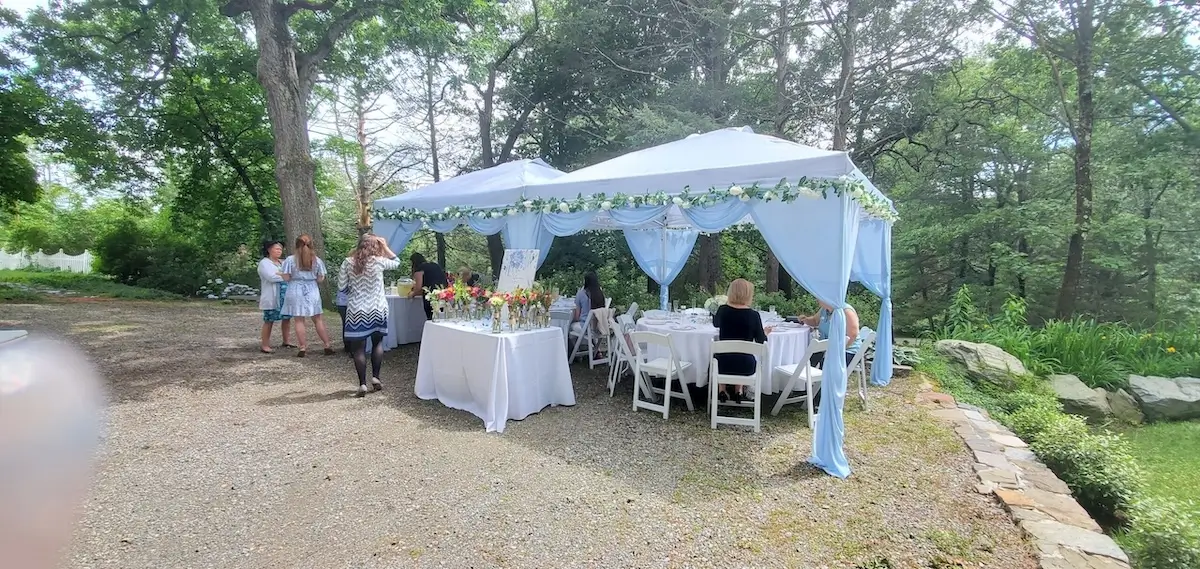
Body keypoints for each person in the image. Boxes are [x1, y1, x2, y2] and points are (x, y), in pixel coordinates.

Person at [339, 234, 401, 397]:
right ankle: (376, 377)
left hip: (356, 310)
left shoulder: (347, 262)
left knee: (358, 349)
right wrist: (386, 246)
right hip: (378, 308)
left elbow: (341, 287)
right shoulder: (379, 261)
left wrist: (354, 291)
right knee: (377, 343)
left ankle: (362, 384)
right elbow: (397, 262)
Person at [713, 278, 774, 403]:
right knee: (742, 355)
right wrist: (765, 332)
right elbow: (760, 340)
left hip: (723, 365)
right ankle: (738, 391)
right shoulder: (753, 315)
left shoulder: (723, 310)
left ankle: (722, 390)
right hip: (746, 366)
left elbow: (715, 323)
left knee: (721, 355)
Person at [798, 300, 862, 410]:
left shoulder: (846, 311)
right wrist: (805, 320)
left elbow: (853, 334)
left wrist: (836, 351)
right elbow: (814, 320)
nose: (817, 299)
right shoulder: (825, 310)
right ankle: (803, 389)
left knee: (826, 364)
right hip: (826, 348)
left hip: (846, 350)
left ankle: (819, 400)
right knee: (807, 357)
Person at [281, 234, 334, 357]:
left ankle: (303, 347)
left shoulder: (290, 260)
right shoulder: (317, 260)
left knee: (299, 320)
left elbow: (286, 277)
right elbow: (320, 278)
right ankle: (327, 345)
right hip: (312, 290)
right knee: (318, 319)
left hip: (295, 289)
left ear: (296, 245)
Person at [257, 240, 293, 353]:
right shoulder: (264, 263)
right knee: (269, 319)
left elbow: (292, 273)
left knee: (287, 318)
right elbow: (271, 277)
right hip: (273, 296)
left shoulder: (283, 262)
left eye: (280, 249)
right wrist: (285, 276)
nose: (279, 251)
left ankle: (286, 340)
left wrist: (284, 275)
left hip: (285, 295)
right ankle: (265, 344)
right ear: (269, 250)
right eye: (276, 249)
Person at [408, 252, 448, 320]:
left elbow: (418, 287)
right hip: (443, 293)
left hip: (431, 295)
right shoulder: (434, 265)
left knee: (432, 317)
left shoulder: (420, 269)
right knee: (442, 317)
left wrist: (412, 294)